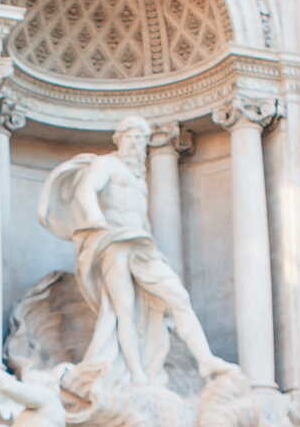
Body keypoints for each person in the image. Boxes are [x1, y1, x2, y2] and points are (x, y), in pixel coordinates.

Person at [36, 115, 226, 383]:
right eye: (131, 137)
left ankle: (205, 360)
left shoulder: (139, 179)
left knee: (178, 297)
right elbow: (86, 190)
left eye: (141, 139)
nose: (136, 144)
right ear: (119, 139)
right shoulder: (107, 165)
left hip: (141, 245)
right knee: (123, 312)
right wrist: (95, 218)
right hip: (113, 242)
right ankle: (138, 375)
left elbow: (142, 218)